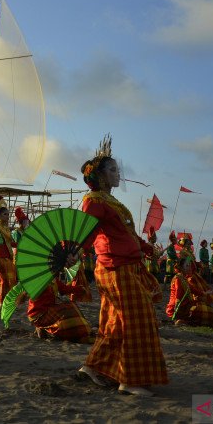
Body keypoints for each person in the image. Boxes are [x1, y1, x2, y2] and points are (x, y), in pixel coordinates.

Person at [76, 135, 168, 396]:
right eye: (114, 170)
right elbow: (87, 232)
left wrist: (148, 249)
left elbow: (126, 233)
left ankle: (93, 367)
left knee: (114, 322)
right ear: (102, 176)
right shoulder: (93, 201)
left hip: (126, 266)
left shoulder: (109, 201)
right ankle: (129, 380)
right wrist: (74, 251)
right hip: (114, 268)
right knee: (138, 320)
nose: (119, 174)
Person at [27, 252, 94, 343]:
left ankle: (78, 331)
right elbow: (31, 293)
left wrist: (80, 289)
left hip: (48, 309)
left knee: (71, 306)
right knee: (68, 310)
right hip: (38, 313)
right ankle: (41, 326)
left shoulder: (52, 278)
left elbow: (64, 289)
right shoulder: (38, 279)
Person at [166, 248, 213, 327]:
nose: (189, 267)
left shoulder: (183, 277)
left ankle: (185, 320)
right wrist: (178, 311)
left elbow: (192, 289)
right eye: (186, 266)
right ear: (181, 268)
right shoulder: (178, 279)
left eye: (189, 265)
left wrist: (204, 293)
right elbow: (178, 296)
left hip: (186, 305)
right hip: (179, 308)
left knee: (210, 313)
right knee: (209, 316)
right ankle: (182, 320)